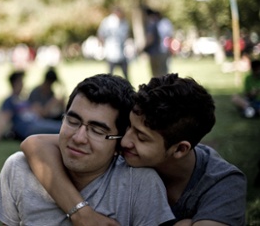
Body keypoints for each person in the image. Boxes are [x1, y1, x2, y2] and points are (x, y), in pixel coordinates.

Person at [21, 73, 246, 225]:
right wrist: (82, 213)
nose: (125, 141)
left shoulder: (222, 185)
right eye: (129, 126)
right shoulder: (123, 150)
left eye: (141, 137)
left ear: (179, 150)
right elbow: (35, 143)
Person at [0, 74, 175, 225]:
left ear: (119, 143)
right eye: (73, 121)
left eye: (97, 130)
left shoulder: (141, 185)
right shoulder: (19, 169)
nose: (78, 138)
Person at [0, 71, 62, 148]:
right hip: (28, 128)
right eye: (21, 82)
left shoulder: (23, 100)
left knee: (58, 125)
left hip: (38, 122)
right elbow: (2, 120)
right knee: (60, 128)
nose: (23, 84)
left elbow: (37, 113)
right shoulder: (9, 101)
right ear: (15, 83)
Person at [97, 7, 130, 80]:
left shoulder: (124, 22)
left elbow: (126, 36)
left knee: (126, 75)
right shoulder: (107, 22)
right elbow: (101, 35)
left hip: (122, 53)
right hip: (111, 52)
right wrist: (101, 48)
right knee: (110, 75)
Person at [144, 8, 170, 77]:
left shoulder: (152, 24)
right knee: (163, 73)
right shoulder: (163, 23)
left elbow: (150, 38)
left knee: (156, 75)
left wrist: (143, 48)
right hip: (163, 51)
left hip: (155, 53)